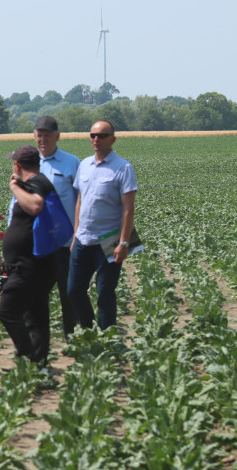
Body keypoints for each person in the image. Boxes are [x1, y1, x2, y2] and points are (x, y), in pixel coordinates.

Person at [68, 120, 138, 330]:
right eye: (93, 135)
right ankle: (89, 331)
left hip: (111, 238)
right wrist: (74, 236)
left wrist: (124, 242)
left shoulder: (123, 167)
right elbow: (80, 201)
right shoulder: (84, 164)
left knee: (105, 292)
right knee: (73, 290)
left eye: (102, 136)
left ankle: (108, 338)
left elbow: (128, 209)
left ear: (113, 139)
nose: (96, 140)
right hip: (83, 238)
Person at [0, 146, 58, 366]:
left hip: (30, 266)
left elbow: (35, 205)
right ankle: (39, 363)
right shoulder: (38, 182)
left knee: (7, 311)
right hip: (36, 264)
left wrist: (14, 186)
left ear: (17, 165)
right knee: (36, 317)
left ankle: (28, 358)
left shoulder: (36, 184)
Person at [32, 115, 80, 337]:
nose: (42, 139)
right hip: (37, 243)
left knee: (69, 293)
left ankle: (71, 336)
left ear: (57, 137)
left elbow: (81, 200)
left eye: (47, 135)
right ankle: (38, 339)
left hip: (65, 242)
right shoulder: (29, 163)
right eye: (39, 135)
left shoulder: (72, 163)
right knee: (36, 293)